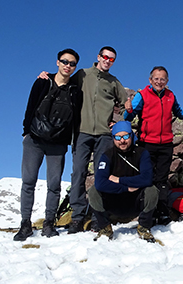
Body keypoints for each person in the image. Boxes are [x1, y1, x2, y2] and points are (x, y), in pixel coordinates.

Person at [39, 46, 129, 233]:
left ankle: (97, 217)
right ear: (98, 57)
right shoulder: (82, 74)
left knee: (101, 176)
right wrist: (46, 76)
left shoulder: (113, 82)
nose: (107, 60)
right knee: (78, 173)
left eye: (111, 59)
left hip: (104, 135)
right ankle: (77, 218)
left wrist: (118, 122)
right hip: (81, 133)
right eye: (105, 57)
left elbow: (126, 104)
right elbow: (62, 81)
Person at [14, 48, 80, 241]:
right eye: (65, 61)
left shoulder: (75, 91)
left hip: (58, 144)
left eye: (72, 63)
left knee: (54, 185)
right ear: (57, 62)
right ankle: (25, 224)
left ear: (75, 68)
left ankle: (49, 224)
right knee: (28, 182)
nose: (68, 65)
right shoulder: (43, 81)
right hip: (34, 140)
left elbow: (76, 118)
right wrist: (26, 132)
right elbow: (30, 106)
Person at [124, 66, 183, 224]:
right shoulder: (142, 95)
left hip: (166, 144)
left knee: (162, 180)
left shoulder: (170, 95)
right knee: (147, 179)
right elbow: (129, 116)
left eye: (163, 79)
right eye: (156, 78)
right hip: (147, 144)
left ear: (167, 81)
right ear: (150, 80)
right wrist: (129, 109)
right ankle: (148, 212)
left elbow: (179, 113)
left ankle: (163, 211)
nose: (159, 81)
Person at [88, 121, 159, 242]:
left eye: (126, 136)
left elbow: (147, 179)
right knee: (93, 191)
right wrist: (126, 188)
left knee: (152, 191)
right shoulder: (107, 155)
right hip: (114, 202)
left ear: (131, 136)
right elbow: (100, 183)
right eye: (118, 137)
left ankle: (144, 227)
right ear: (113, 138)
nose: (122, 141)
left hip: (136, 202)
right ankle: (105, 228)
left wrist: (119, 180)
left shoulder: (142, 153)